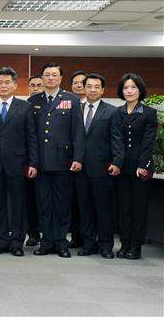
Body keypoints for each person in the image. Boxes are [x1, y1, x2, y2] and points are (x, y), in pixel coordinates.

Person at [28, 62, 84, 258]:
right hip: (40, 163)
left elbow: (78, 132)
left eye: (54, 75)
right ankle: (46, 242)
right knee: (43, 205)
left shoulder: (71, 100)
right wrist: (32, 162)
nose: (50, 78)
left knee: (62, 204)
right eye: (47, 75)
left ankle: (60, 242)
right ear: (42, 78)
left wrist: (78, 158)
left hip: (64, 162)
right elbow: (31, 135)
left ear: (60, 78)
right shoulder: (33, 100)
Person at [0, 67, 38, 257]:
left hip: (18, 164)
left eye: (8, 82)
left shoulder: (25, 107)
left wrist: (33, 162)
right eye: (0, 82)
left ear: (15, 85)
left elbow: (31, 137)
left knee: (18, 206)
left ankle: (16, 242)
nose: (4, 85)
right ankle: (0, 241)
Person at [75, 73, 123, 259]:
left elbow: (116, 138)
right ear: (84, 88)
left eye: (96, 87)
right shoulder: (76, 109)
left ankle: (105, 246)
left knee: (104, 209)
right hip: (79, 168)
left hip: (103, 167)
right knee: (84, 208)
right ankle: (88, 244)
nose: (92, 90)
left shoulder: (112, 111)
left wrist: (117, 161)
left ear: (103, 90)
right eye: (89, 86)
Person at [113, 73, 157, 260]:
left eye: (133, 87)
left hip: (141, 167)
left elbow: (149, 142)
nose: (129, 91)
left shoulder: (149, 113)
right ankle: (124, 244)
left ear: (140, 90)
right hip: (122, 167)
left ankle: (135, 246)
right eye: (126, 88)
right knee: (123, 208)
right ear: (121, 91)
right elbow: (116, 139)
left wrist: (142, 164)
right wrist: (117, 163)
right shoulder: (117, 112)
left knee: (138, 208)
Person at [68, 70, 88, 249]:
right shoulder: (69, 105)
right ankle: (76, 237)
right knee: (73, 202)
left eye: (82, 82)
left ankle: (90, 238)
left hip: (91, 163)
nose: (79, 85)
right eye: (75, 83)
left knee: (88, 202)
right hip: (70, 163)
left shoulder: (97, 107)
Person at [25, 75, 44, 246]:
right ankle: (33, 234)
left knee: (45, 200)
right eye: (32, 85)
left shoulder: (51, 103)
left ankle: (48, 234)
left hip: (47, 158)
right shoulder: (26, 105)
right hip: (29, 160)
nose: (36, 88)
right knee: (30, 199)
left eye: (39, 85)